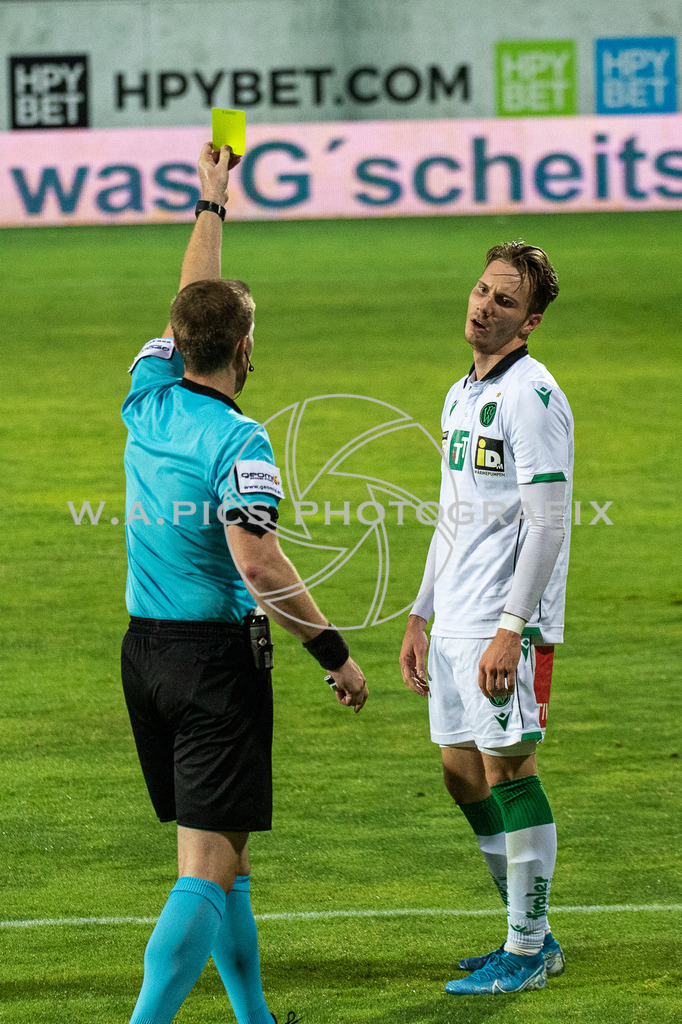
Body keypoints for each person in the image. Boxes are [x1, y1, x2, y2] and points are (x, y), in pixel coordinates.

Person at [120, 142, 368, 1024]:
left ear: (180, 342)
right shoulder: (242, 443)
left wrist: (212, 203)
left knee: (226, 857)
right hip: (214, 664)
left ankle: (255, 1017)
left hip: (145, 652)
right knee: (204, 871)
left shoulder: (147, 394)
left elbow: (191, 304)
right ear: (248, 346)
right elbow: (258, 564)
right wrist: (333, 651)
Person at [399, 243, 573, 996]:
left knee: (509, 768)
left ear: (529, 321)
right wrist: (420, 611)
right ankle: (525, 926)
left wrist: (512, 627)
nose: (483, 306)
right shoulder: (460, 393)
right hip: (455, 616)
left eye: (504, 301)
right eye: (480, 290)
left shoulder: (531, 396)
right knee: (460, 772)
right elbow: (454, 513)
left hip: (506, 620)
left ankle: (528, 949)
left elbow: (550, 522)